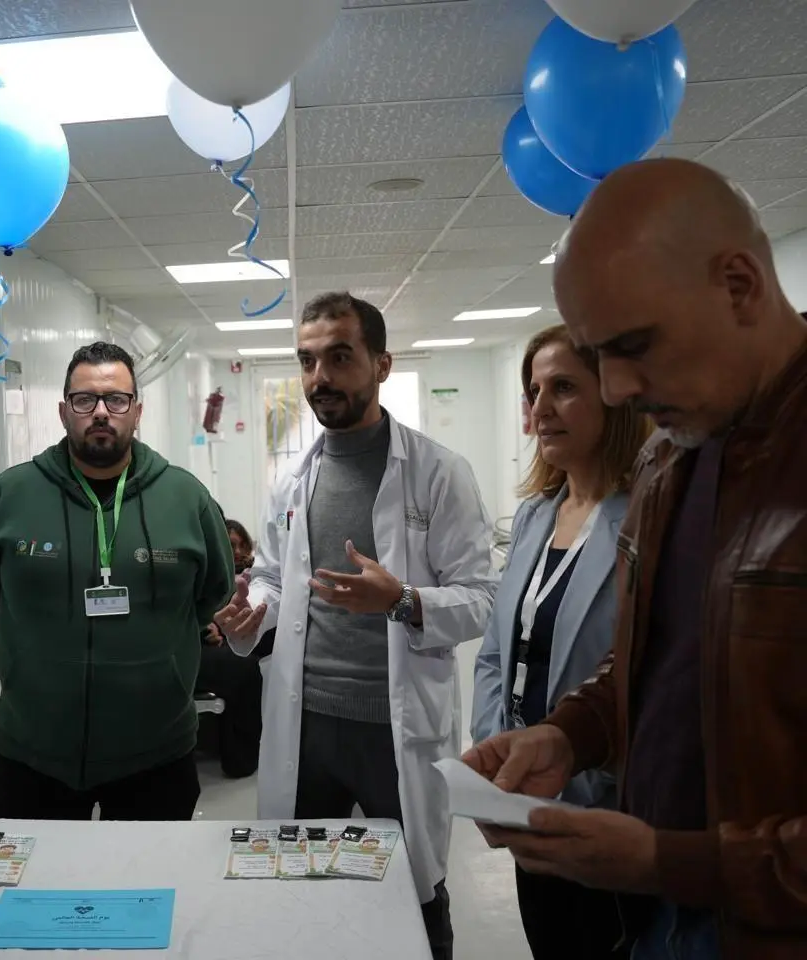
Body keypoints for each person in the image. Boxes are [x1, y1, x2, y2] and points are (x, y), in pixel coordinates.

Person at [463, 158, 807, 960]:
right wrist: (568, 734)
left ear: (739, 285)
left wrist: (670, 861)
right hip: (654, 921)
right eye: (596, 353)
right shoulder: (669, 459)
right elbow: (656, 660)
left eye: (634, 345)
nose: (615, 389)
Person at [216, 291, 499, 960]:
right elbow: (275, 578)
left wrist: (402, 599)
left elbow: (483, 598)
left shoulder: (438, 473)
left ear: (381, 365)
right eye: (307, 361)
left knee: (416, 898)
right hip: (307, 724)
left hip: (393, 728)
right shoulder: (292, 480)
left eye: (340, 357)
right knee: (302, 891)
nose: (320, 377)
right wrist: (253, 612)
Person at [0, 341, 234, 822]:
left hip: (158, 752)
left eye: (116, 399)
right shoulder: (9, 495)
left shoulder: (186, 498)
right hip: (33, 751)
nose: (101, 412)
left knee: (150, 872)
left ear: (137, 412)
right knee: (41, 874)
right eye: (85, 399)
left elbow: (212, 591)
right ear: (64, 411)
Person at [471, 324, 651, 960]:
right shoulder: (535, 515)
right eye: (534, 391)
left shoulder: (644, 517)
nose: (540, 408)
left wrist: (574, 770)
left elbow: (641, 675)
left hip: (606, 809)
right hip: (526, 800)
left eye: (564, 388)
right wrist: (494, 758)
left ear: (614, 396)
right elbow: (496, 653)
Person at [197, 518, 267, 778]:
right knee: (245, 668)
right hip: (199, 644)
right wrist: (206, 627)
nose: (237, 552)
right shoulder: (209, 570)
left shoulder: (256, 571)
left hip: (227, 636)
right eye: (230, 546)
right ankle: (241, 758)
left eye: (242, 545)